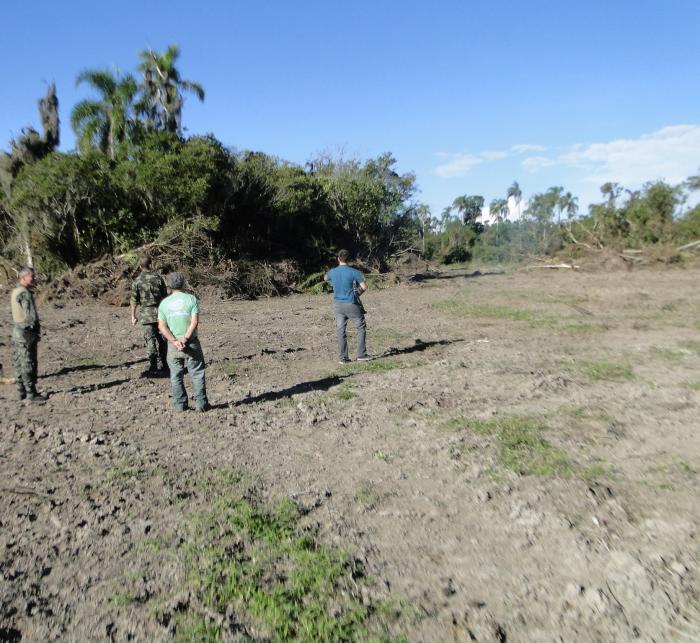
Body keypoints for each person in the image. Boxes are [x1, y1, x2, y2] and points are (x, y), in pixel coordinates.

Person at [157, 272, 210, 412]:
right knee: (197, 373)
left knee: (175, 375)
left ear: (169, 285)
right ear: (183, 283)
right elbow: (194, 322)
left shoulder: (164, 304)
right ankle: (201, 405)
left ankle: (180, 405)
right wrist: (185, 338)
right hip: (191, 342)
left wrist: (174, 341)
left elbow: (161, 326)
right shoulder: (191, 299)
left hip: (173, 346)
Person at [324, 249, 370, 363]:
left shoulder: (333, 272)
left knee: (341, 330)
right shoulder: (354, 272)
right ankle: (361, 355)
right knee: (360, 327)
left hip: (338, 305)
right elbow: (364, 287)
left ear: (338, 259)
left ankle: (343, 358)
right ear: (349, 260)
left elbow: (325, 278)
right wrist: (357, 293)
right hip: (351, 303)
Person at [10, 267, 45, 401]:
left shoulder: (15, 291)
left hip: (17, 332)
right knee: (28, 363)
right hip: (26, 333)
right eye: (32, 276)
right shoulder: (25, 293)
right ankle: (31, 393)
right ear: (23, 278)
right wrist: (36, 332)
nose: (35, 279)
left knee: (19, 362)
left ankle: (21, 391)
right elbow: (30, 317)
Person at [130, 255, 168, 376]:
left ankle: (153, 365)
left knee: (150, 340)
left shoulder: (137, 280)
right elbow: (165, 296)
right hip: (160, 312)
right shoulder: (158, 278)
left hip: (146, 314)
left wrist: (133, 315)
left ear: (140, 266)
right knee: (162, 340)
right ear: (151, 264)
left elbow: (134, 300)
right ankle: (164, 364)